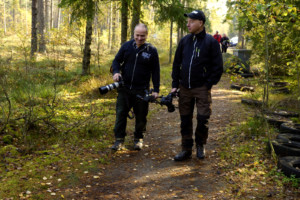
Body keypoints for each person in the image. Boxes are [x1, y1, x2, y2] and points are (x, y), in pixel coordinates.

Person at [171, 10, 223, 161]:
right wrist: (175, 85)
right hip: (184, 88)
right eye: (188, 21)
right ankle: (186, 149)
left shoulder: (211, 42)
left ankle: (200, 145)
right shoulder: (184, 41)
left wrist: (208, 84)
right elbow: (176, 64)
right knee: (185, 119)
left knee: (203, 118)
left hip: (201, 88)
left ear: (200, 23)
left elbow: (218, 67)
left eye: (191, 21)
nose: (188, 24)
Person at [110, 23, 160, 151]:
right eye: (137, 35)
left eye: (142, 36)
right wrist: (116, 72)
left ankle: (139, 139)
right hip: (124, 89)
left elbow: (155, 72)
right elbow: (116, 61)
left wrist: (156, 90)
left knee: (141, 116)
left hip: (141, 90)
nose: (139, 38)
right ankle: (119, 140)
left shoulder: (151, 51)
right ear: (134, 34)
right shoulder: (126, 46)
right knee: (121, 114)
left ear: (146, 35)